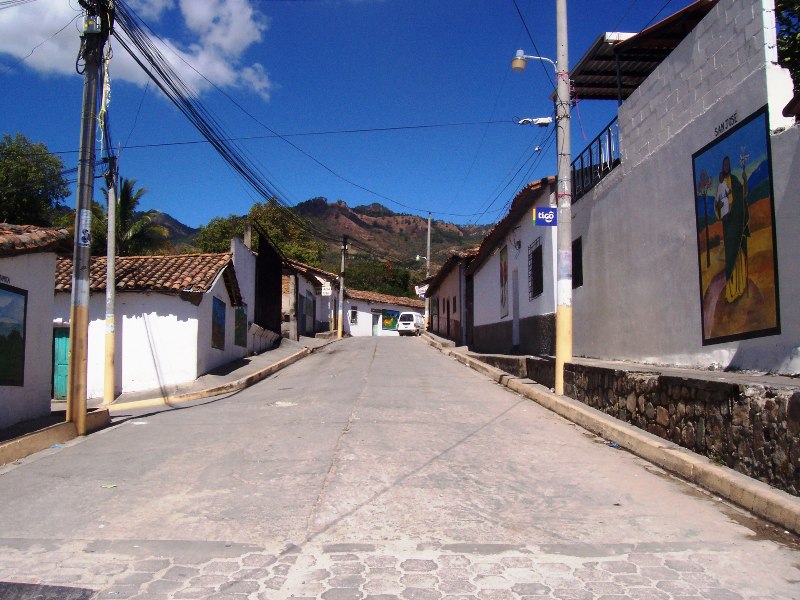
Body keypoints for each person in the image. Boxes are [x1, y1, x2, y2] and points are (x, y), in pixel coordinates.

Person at [716, 155, 750, 303]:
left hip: (737, 222)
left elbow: (743, 195)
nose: (726, 166)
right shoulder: (721, 185)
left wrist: (745, 181)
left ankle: (741, 285)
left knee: (739, 254)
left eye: (728, 164)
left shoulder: (735, 181)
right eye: (725, 164)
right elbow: (717, 206)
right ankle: (731, 289)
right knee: (730, 256)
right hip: (729, 226)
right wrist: (720, 208)